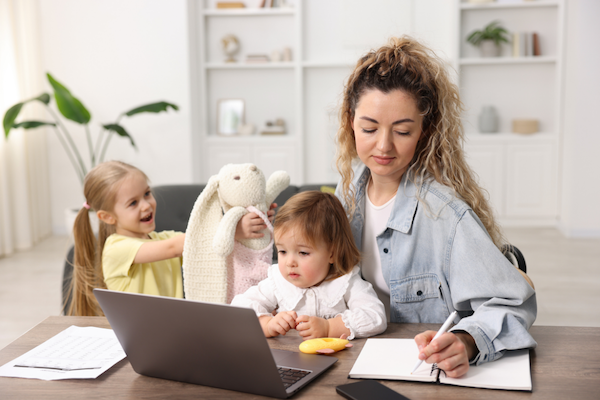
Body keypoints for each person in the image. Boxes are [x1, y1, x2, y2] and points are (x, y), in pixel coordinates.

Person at [334, 36, 537, 378]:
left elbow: (514, 303)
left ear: (424, 132)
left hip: (421, 370)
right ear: (350, 122)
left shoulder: (444, 214)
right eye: (369, 128)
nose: (383, 145)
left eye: (402, 131)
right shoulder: (346, 194)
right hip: (355, 357)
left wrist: (466, 340)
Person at [68, 160, 274, 317]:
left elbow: (208, 250)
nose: (146, 205)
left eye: (147, 194)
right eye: (133, 203)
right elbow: (179, 246)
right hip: (137, 335)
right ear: (107, 217)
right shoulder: (115, 248)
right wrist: (232, 229)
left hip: (170, 330)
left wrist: (256, 220)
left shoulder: (163, 238)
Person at [232, 191, 387, 341]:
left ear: (331, 253)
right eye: (283, 251)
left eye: (303, 253)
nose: (289, 262)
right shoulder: (278, 282)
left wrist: (329, 327)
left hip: (340, 361)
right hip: (290, 359)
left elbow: (376, 317)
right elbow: (239, 308)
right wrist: (267, 323)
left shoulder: (345, 282)